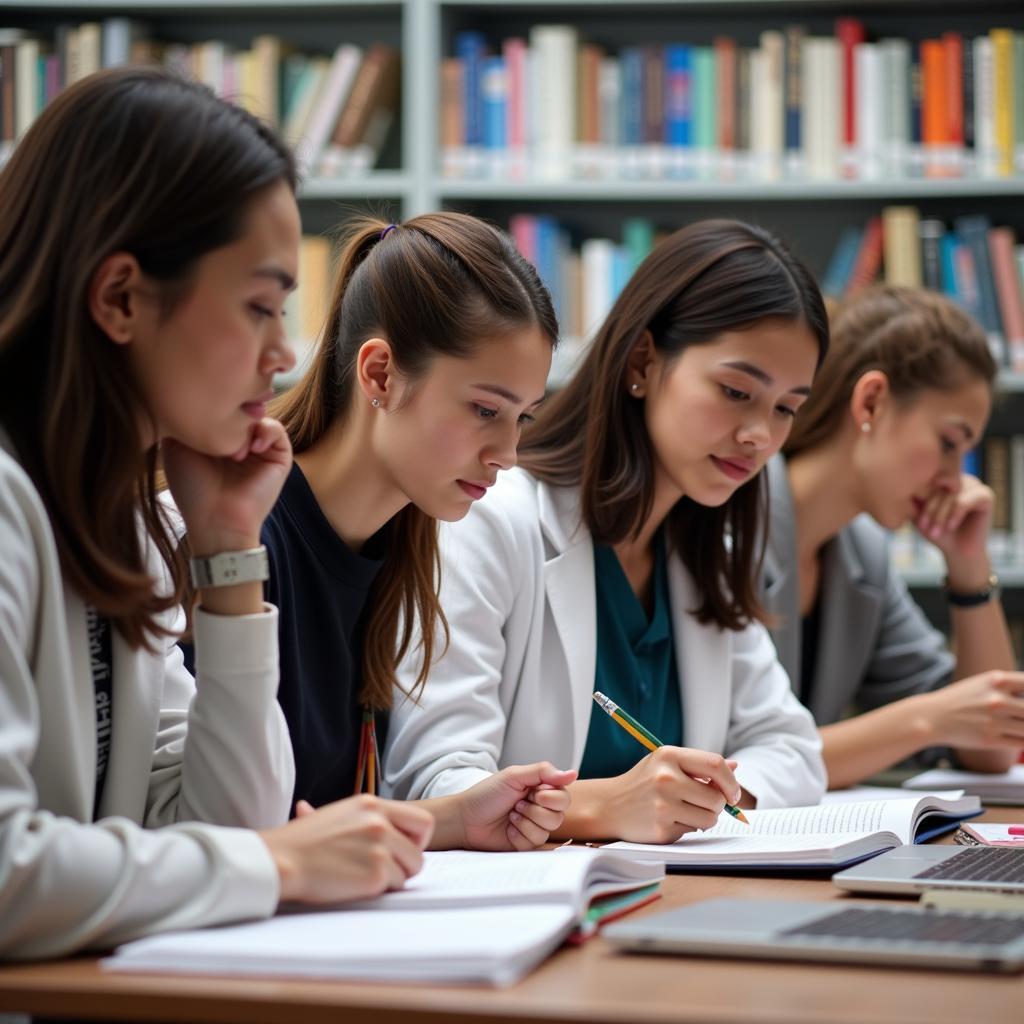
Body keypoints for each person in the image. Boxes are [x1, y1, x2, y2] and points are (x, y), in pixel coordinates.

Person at [0, 67, 435, 961]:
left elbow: (217, 817)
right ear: (121, 298)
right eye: (259, 307)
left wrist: (229, 554)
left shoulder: (120, 520)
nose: (282, 355)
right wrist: (277, 866)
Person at [384, 219, 830, 843]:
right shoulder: (486, 521)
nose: (760, 433)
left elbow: (793, 748)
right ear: (644, 361)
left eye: (786, 408)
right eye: (736, 391)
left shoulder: (705, 550)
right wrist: (604, 806)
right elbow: (434, 784)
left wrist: (705, 799)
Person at [235, 211, 575, 851]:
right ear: (381, 375)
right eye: (484, 410)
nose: (508, 452)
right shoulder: (235, 535)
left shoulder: (410, 544)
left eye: (523, 417)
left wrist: (458, 820)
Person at [762, 285, 1024, 790]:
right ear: (873, 402)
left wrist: (969, 569)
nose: (954, 479)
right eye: (948, 443)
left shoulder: (862, 555)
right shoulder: (728, 520)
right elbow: (732, 758)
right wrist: (929, 718)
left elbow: (991, 745)